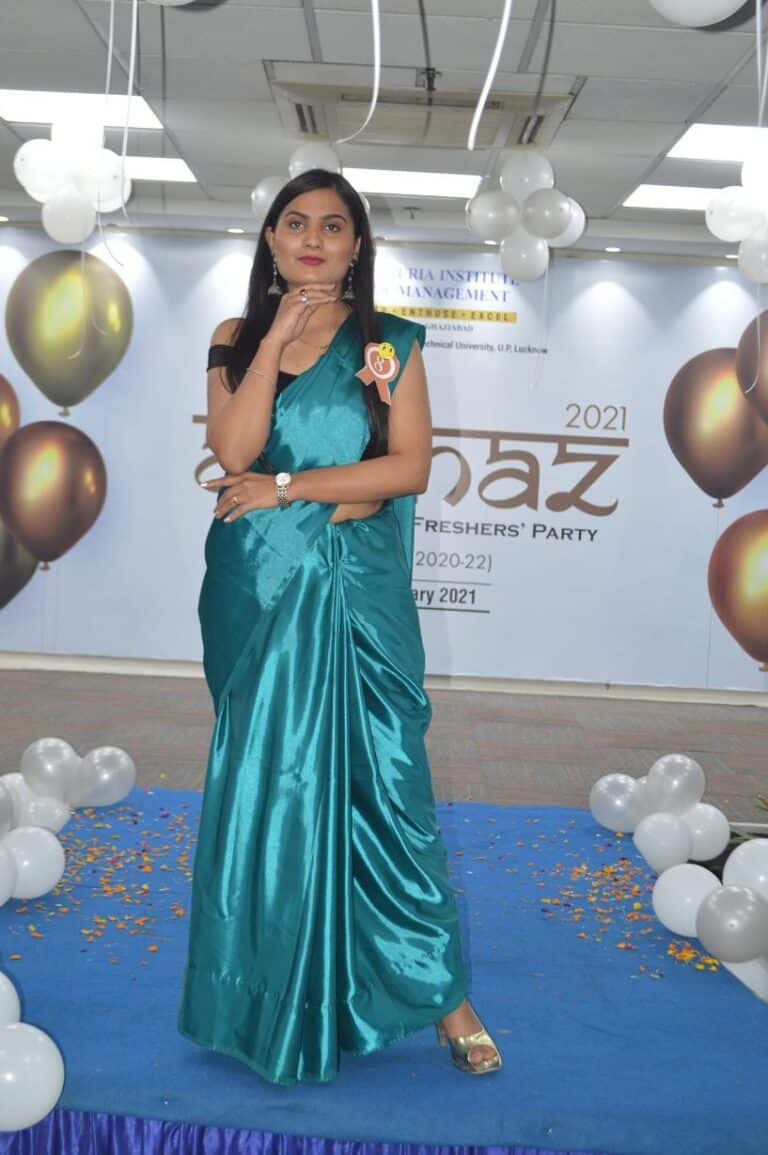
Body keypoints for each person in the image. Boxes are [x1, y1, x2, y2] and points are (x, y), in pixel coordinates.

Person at [178, 168, 502, 1085]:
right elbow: (231, 448)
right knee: (270, 789)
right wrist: (277, 338)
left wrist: (288, 488)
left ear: (359, 244)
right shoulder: (234, 335)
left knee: (388, 787)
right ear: (271, 240)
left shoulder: (387, 343)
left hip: (356, 592)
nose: (313, 239)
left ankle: (442, 993)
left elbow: (405, 470)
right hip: (256, 587)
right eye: (295, 223)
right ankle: (265, 991)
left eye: (333, 225)